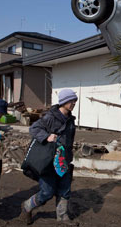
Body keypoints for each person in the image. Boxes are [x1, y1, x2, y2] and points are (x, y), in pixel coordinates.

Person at [21, 89, 78, 225]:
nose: (73, 103)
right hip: (49, 162)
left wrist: (69, 155)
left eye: (75, 100)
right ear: (63, 101)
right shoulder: (50, 117)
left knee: (65, 189)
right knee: (47, 192)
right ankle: (27, 206)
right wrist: (47, 137)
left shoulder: (70, 120)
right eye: (71, 100)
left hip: (63, 160)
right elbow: (34, 129)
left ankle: (62, 216)